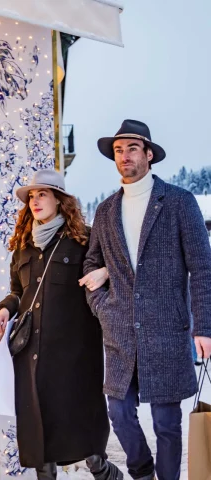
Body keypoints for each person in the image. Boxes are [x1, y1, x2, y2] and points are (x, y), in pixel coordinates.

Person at [82, 119, 211, 480]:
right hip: (120, 332)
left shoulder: (180, 203)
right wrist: (103, 308)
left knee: (166, 423)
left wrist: (204, 327)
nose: (124, 156)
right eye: (118, 150)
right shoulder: (106, 210)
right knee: (119, 413)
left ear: (149, 154)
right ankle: (141, 473)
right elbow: (93, 262)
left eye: (132, 148)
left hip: (168, 332)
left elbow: (202, 268)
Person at [0, 169, 123, 480]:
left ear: (59, 201)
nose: (35, 201)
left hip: (75, 350)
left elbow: (118, 270)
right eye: (31, 197)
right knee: (37, 421)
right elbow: (17, 291)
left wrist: (104, 273)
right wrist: (4, 309)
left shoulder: (84, 240)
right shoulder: (23, 247)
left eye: (42, 194)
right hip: (32, 350)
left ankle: (102, 471)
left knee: (81, 416)